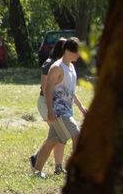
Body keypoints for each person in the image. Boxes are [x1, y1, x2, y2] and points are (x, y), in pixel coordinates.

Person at [31, 38, 86, 179]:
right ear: (67, 51)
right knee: (77, 135)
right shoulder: (57, 67)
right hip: (58, 111)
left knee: (53, 140)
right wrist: (50, 110)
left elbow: (70, 91)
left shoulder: (71, 67)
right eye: (76, 52)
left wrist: (80, 106)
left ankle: (36, 171)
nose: (79, 56)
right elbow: (47, 89)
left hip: (67, 110)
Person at [29, 38, 69, 176]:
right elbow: (45, 87)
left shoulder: (62, 64)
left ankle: (57, 166)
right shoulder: (50, 64)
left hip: (56, 103)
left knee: (58, 134)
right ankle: (38, 161)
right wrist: (52, 107)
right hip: (47, 103)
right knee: (59, 133)